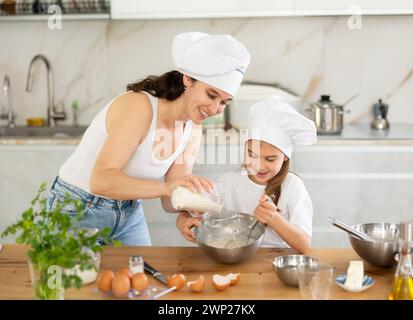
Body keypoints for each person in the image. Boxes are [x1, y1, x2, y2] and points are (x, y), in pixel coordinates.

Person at [46, 32, 251, 246]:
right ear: (188, 79)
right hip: (77, 208)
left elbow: (170, 201)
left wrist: (195, 204)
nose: (215, 109)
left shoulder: (192, 129)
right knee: (80, 279)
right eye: (211, 95)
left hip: (128, 211)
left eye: (224, 102)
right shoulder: (140, 107)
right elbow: (101, 181)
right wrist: (168, 188)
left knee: (143, 278)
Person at [177, 99, 317, 253]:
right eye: (252, 155)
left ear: (285, 157)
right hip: (235, 257)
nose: (259, 166)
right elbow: (189, 211)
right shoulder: (230, 181)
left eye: (270, 159)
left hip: (275, 259)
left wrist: (274, 219)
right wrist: (184, 221)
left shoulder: (292, 186)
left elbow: (304, 245)